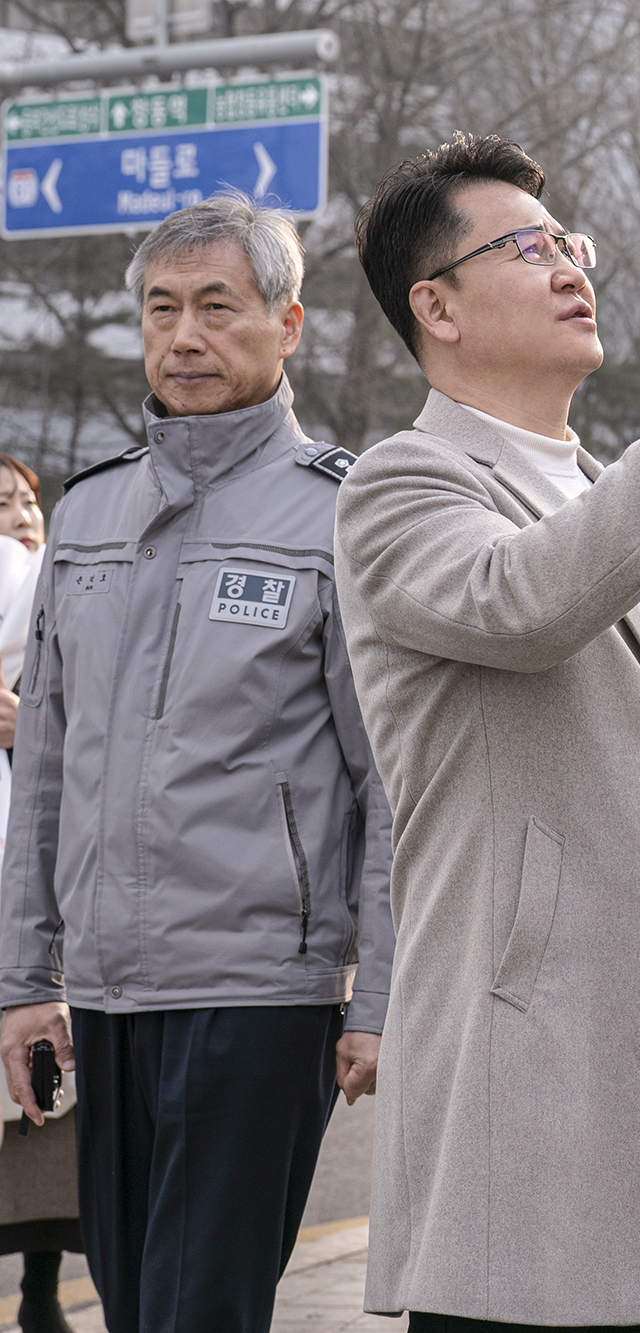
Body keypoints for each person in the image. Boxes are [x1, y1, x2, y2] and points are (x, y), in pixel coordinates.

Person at [339, 133, 640, 1330]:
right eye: (529, 247)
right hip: (523, 1061)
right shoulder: (401, 483)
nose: (568, 267)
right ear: (432, 304)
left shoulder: (600, 487)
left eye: (569, 245)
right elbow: (527, 603)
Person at [0, 193, 394, 1333]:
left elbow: (387, 779)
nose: (184, 336)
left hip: (262, 989)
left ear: (289, 323)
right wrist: (27, 981)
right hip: (112, 996)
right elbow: (50, 775)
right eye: (162, 310)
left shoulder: (341, 510)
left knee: (203, 1308)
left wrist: (377, 994)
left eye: (217, 308)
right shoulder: (91, 509)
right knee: (134, 1305)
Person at [0, 453, 78, 1333]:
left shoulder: (63, 606)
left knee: (51, 1106)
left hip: (45, 897)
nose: (22, 515)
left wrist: (31, 729)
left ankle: (42, 1287)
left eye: (27, 500)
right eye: (2, 504)